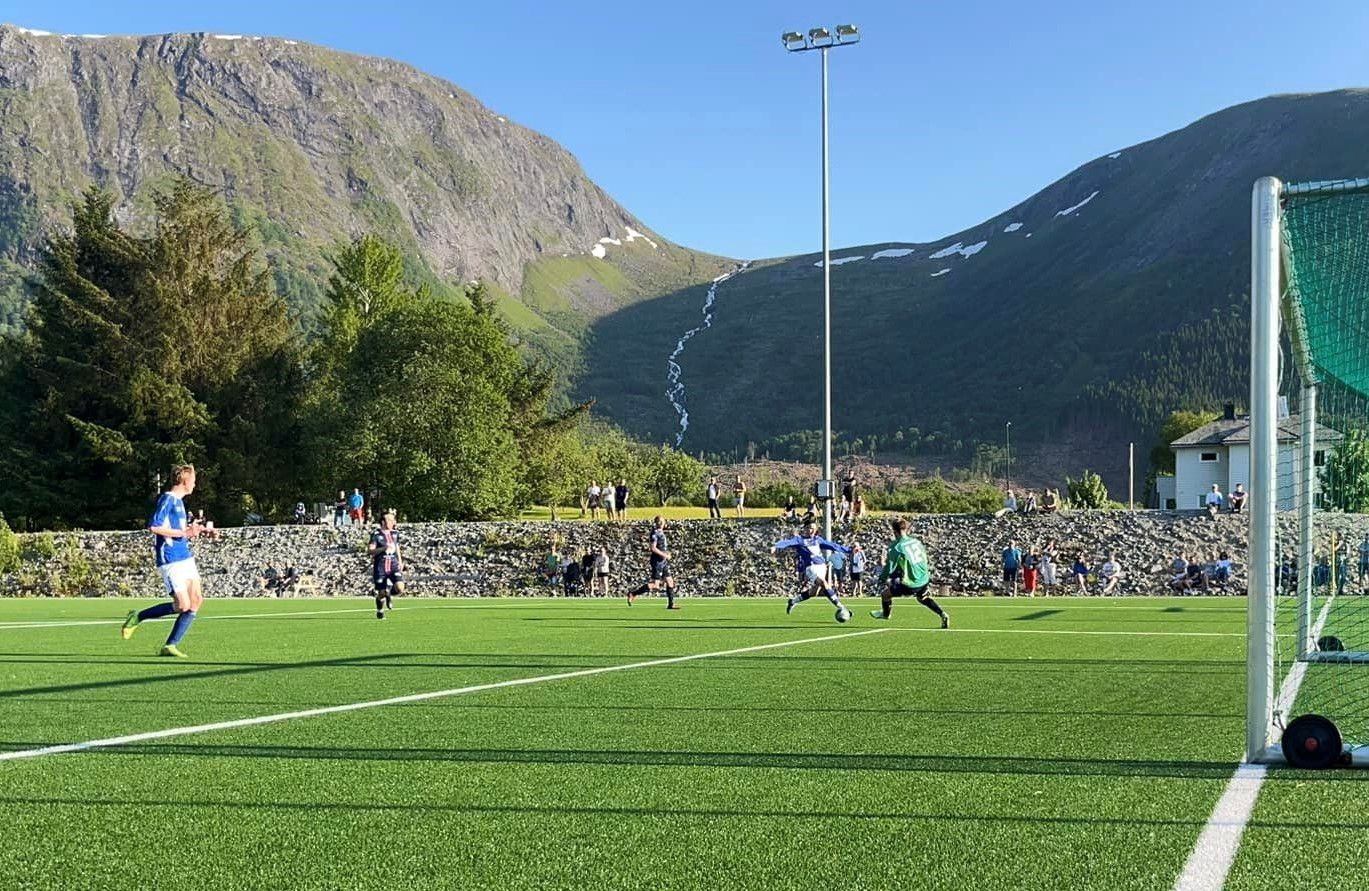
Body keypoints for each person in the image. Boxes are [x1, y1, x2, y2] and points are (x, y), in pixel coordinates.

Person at [121, 464, 205, 658]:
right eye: (193, 479)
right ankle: (138, 616)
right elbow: (154, 527)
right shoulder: (167, 499)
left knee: (197, 600)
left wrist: (197, 532)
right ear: (184, 481)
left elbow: (180, 533)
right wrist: (184, 532)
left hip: (185, 556)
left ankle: (170, 645)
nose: (195, 483)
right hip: (170, 558)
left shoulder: (181, 503)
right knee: (182, 605)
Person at [870, 517, 950, 627]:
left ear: (894, 531)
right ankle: (942, 614)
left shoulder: (897, 547)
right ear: (906, 529)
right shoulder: (916, 542)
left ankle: (885, 614)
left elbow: (889, 569)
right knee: (923, 598)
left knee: (885, 595)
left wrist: (881, 579)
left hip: (911, 583)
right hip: (924, 578)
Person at [772, 521, 851, 620]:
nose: (812, 530)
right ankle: (841, 606)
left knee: (814, 592)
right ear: (805, 529)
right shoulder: (799, 540)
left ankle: (793, 601)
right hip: (811, 568)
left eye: (814, 528)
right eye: (809, 528)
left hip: (822, 567)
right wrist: (776, 546)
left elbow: (833, 545)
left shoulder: (818, 540)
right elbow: (787, 542)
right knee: (824, 583)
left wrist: (849, 550)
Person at [627, 515, 679, 608]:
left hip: (663, 561)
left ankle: (671, 604)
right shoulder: (655, 533)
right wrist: (665, 555)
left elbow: (661, 546)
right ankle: (633, 593)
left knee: (670, 581)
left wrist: (666, 553)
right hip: (657, 561)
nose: (663, 524)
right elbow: (653, 548)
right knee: (655, 585)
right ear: (658, 523)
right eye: (662, 522)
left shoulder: (661, 532)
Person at [369, 510, 404, 618]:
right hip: (380, 567)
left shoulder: (395, 534)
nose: (393, 522)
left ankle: (389, 594)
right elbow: (370, 550)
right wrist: (383, 548)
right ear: (383, 522)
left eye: (393, 519)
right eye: (390, 520)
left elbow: (397, 547)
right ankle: (380, 610)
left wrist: (400, 562)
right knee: (382, 592)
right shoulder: (376, 534)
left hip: (393, 565)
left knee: (400, 588)